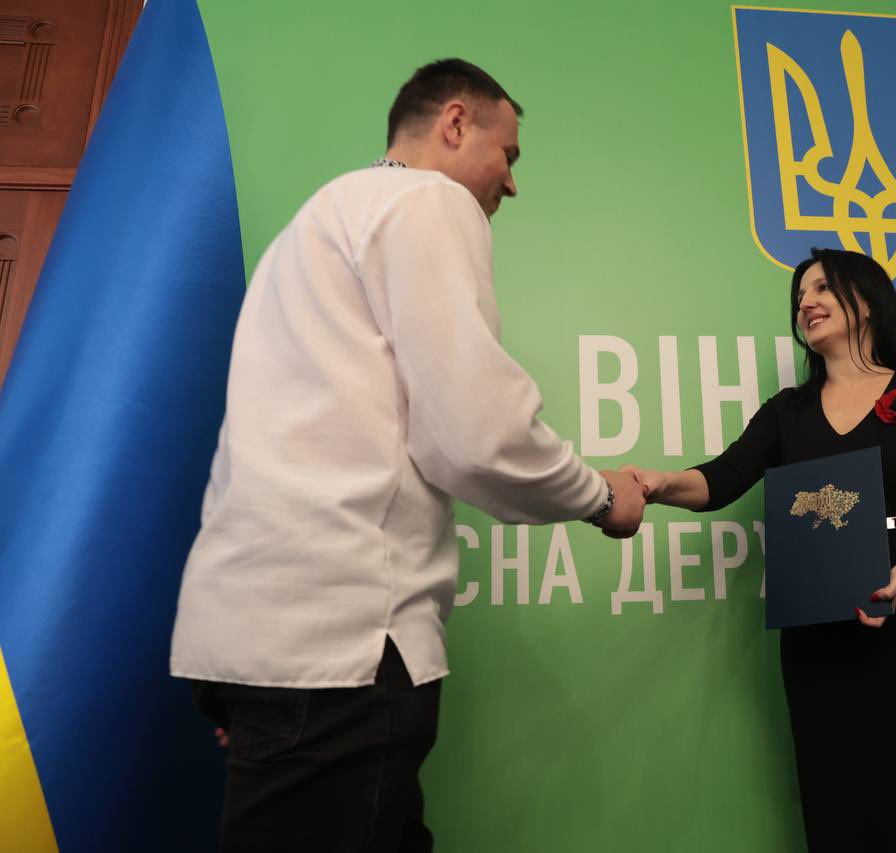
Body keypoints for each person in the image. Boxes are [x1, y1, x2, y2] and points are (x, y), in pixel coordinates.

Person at [169, 58, 645, 852]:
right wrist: (601, 496)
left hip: (265, 644)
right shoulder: (428, 201)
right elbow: (479, 434)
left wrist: (243, 678)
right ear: (455, 123)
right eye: (508, 154)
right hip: (345, 646)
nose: (511, 183)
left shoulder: (315, 223)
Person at [624, 249, 896, 852]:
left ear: (867, 301)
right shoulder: (786, 412)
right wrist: (658, 483)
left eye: (822, 288)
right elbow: (722, 478)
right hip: (818, 645)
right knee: (839, 815)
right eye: (800, 296)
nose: (806, 303)